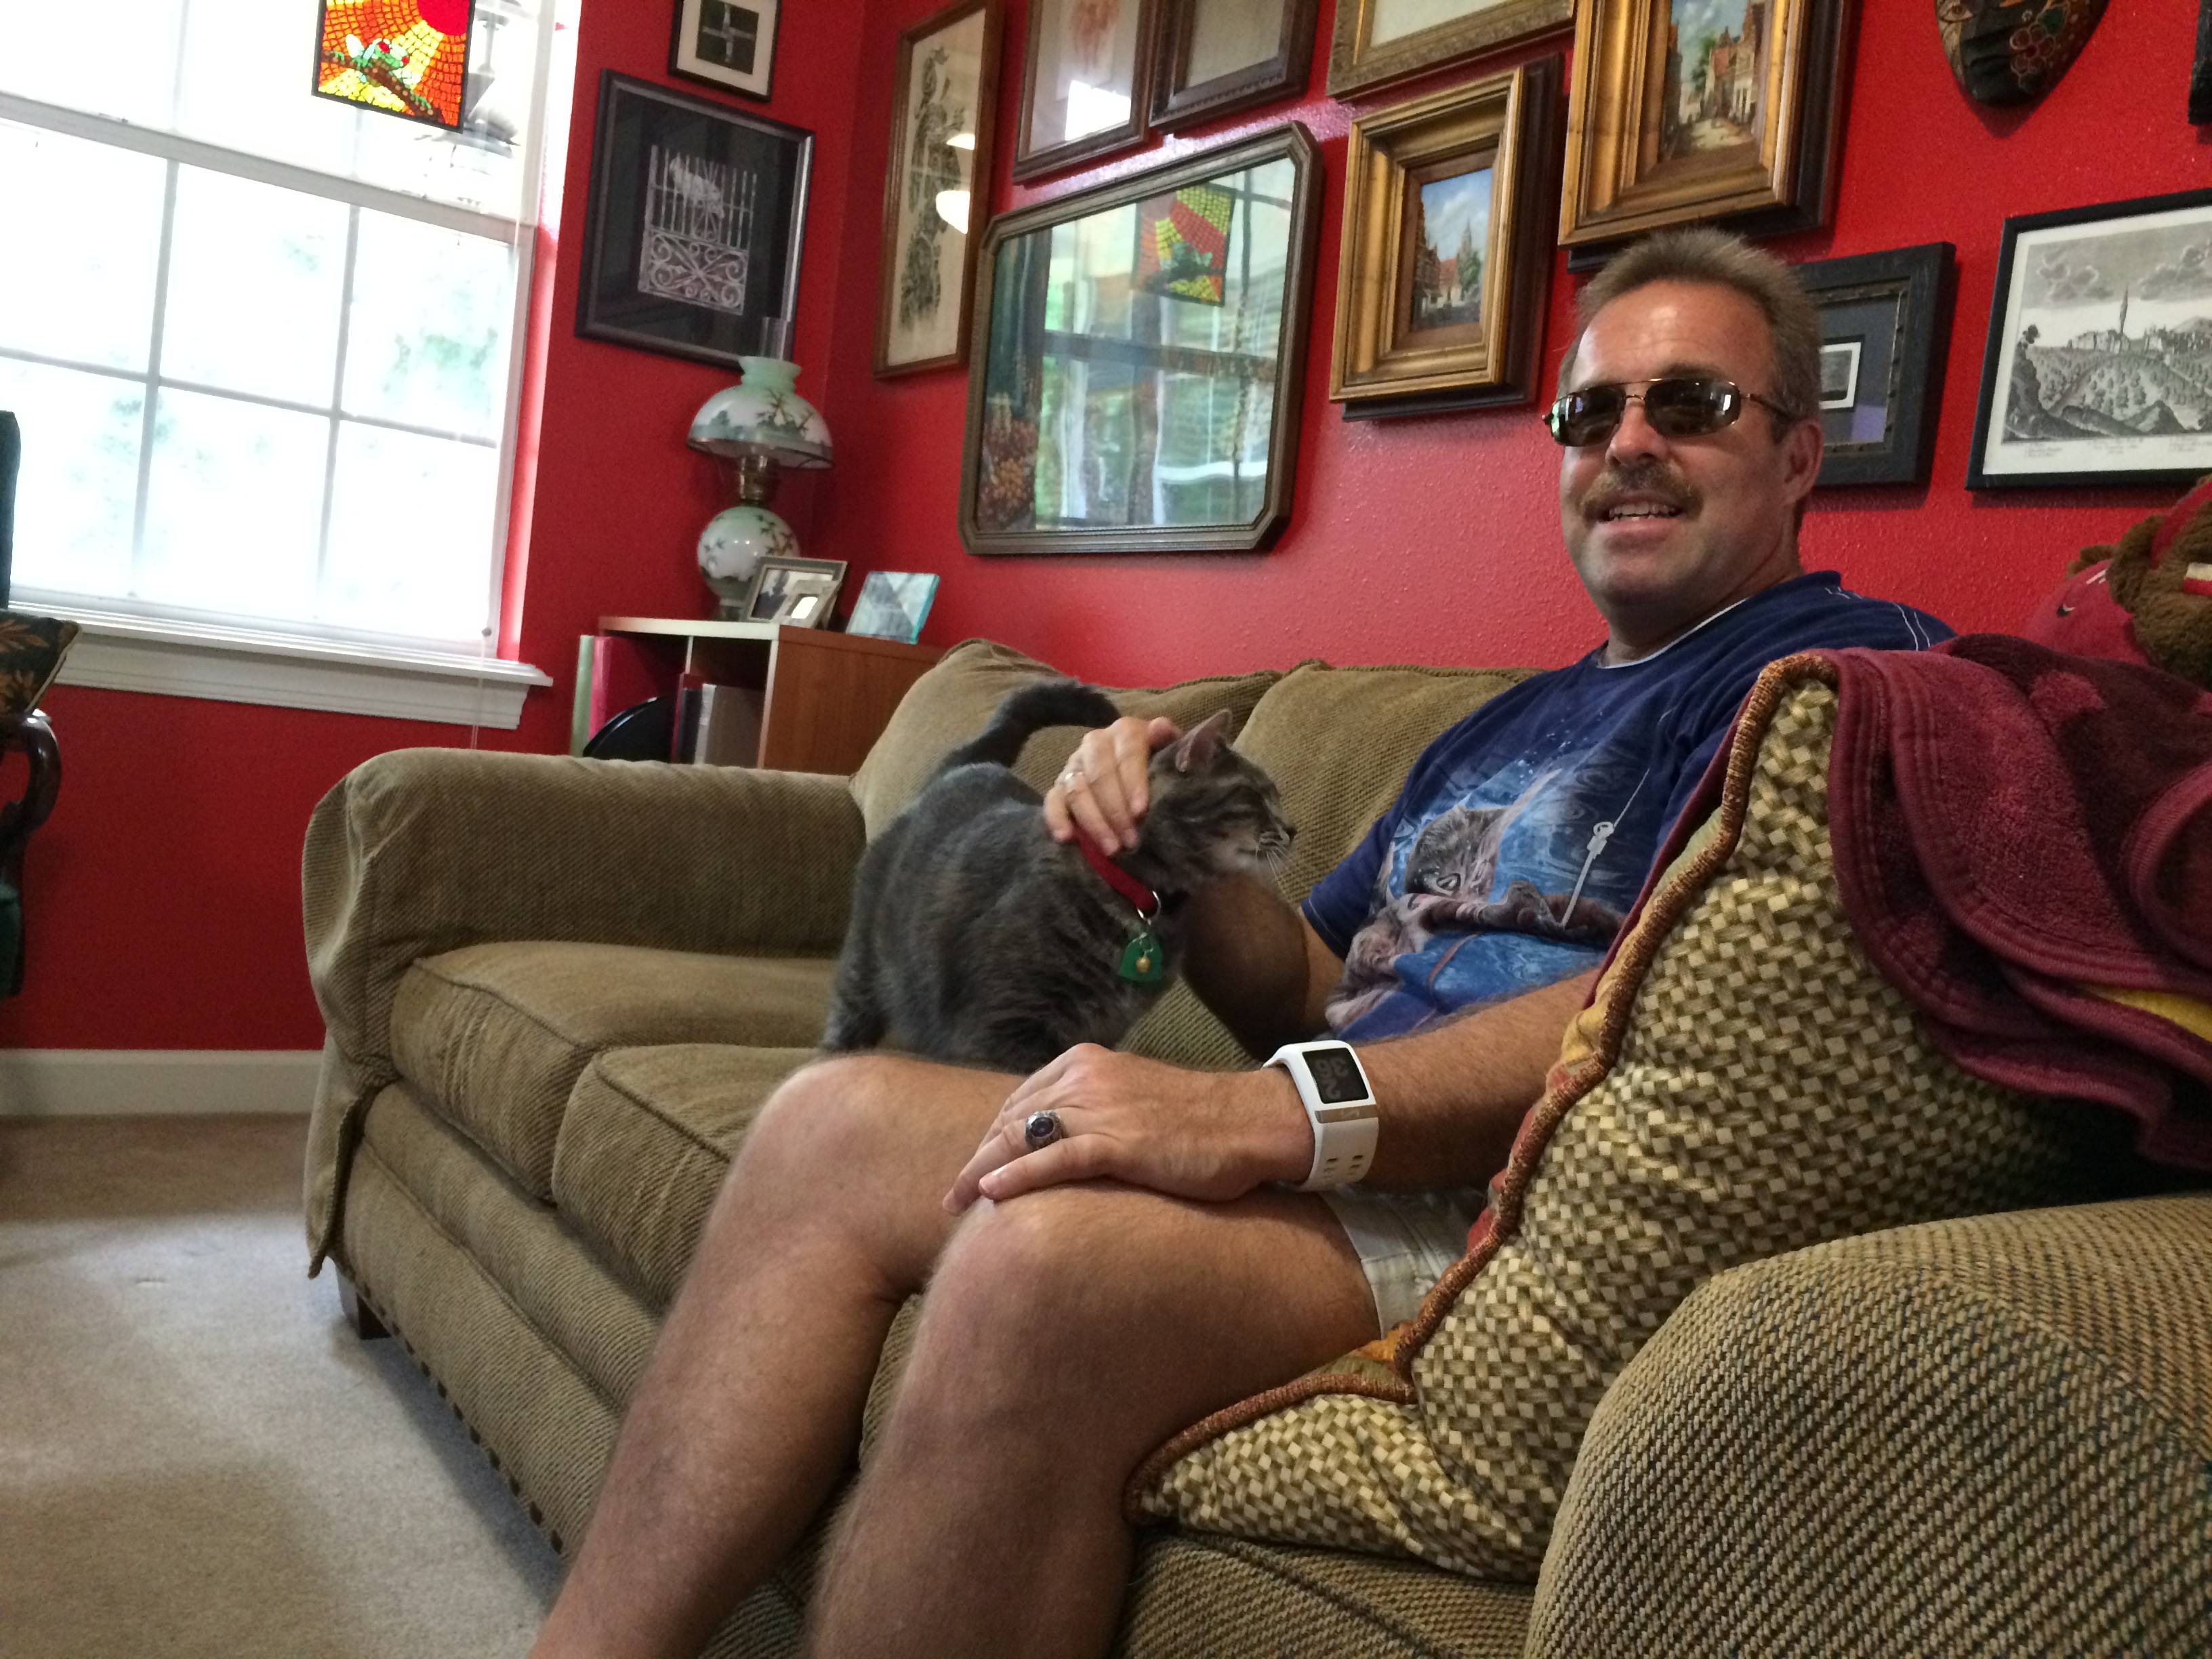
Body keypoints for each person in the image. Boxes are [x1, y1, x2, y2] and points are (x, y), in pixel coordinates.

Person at [528, 228, 1952, 1659]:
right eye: (1592, 413)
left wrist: (1268, 1115)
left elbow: (1689, 1011)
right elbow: (1314, 989)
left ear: (1800, 457)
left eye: (1691, 404)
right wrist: (1175, 841)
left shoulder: (1845, 685)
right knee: (823, 1121)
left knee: (1045, 1257)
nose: (1629, 443)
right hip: (1344, 1152)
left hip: (1497, 1212)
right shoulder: (1509, 722)